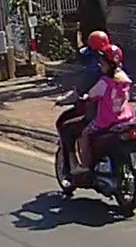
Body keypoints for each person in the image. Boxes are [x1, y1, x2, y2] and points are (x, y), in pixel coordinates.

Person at [75, 43, 134, 175]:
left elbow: (91, 95)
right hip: (126, 119)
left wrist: (84, 97)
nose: (100, 64)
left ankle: (85, 165)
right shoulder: (125, 80)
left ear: (110, 64)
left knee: (85, 134)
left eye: (102, 62)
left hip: (106, 121)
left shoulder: (105, 82)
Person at [57, 30, 111, 172]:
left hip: (99, 115)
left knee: (66, 128)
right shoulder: (119, 72)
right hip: (120, 116)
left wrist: (63, 100)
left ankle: (73, 166)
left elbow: (80, 93)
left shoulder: (94, 73)